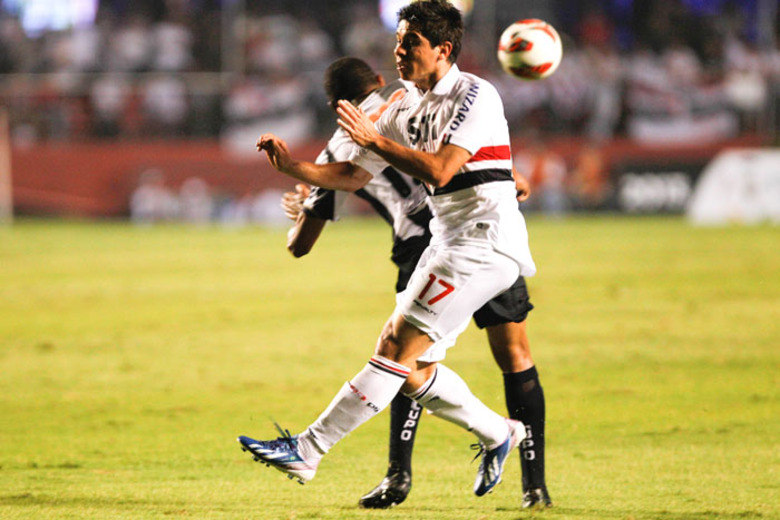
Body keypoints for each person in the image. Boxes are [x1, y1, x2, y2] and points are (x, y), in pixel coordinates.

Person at [240, 0, 536, 501]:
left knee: (394, 349)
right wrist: (292, 167)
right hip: (447, 241)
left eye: (411, 43)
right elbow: (351, 175)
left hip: (484, 241)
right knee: (412, 369)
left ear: (442, 49)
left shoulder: (475, 94)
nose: (399, 50)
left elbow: (441, 169)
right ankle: (499, 432)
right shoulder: (402, 104)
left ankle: (308, 450)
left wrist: (375, 139)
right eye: (398, 41)